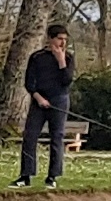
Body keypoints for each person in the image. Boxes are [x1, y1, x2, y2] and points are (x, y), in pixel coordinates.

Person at [17, 24, 74, 189]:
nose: (62, 42)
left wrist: (61, 61)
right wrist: (39, 98)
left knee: (57, 137)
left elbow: (67, 81)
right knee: (30, 136)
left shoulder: (68, 58)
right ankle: (25, 176)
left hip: (59, 100)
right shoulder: (37, 57)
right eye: (59, 39)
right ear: (50, 38)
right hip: (39, 101)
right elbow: (29, 82)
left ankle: (52, 177)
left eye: (65, 39)